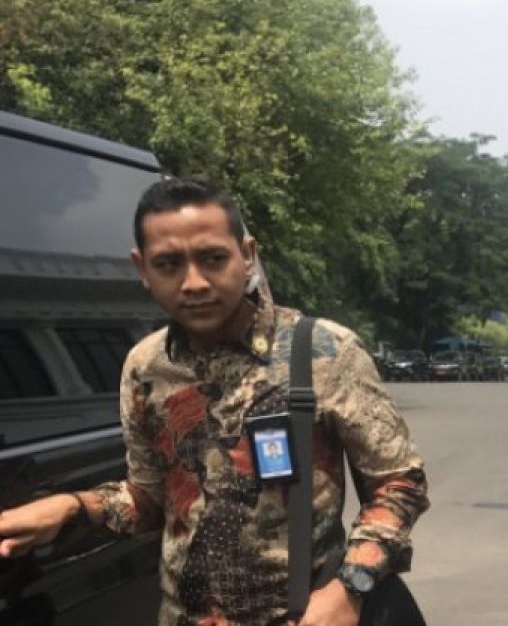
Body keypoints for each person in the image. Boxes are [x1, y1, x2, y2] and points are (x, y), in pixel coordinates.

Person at [0, 178, 429, 626]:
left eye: (213, 258)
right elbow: (149, 500)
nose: (194, 282)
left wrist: (350, 590)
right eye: (168, 264)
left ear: (247, 255)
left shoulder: (325, 350)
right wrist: (73, 507)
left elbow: (399, 485)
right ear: (142, 268)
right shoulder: (145, 367)